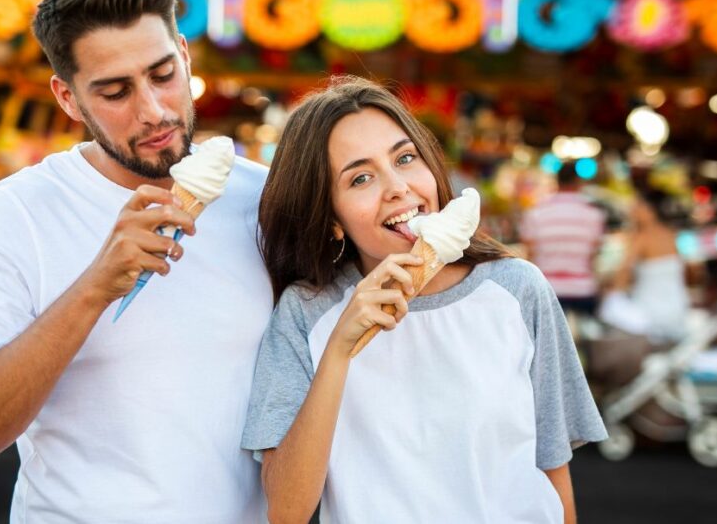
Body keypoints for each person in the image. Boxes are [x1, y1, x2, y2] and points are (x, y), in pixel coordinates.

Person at [0, 0, 272, 521]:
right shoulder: (20, 212)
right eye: (115, 92)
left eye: (163, 75)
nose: (154, 111)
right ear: (69, 98)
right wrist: (95, 285)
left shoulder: (267, 200)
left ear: (184, 53)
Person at [242, 77, 606, 524]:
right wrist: (339, 348)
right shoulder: (307, 312)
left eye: (405, 158)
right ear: (332, 219)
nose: (398, 187)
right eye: (360, 177)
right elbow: (286, 511)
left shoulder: (516, 290)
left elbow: (551, 472)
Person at [598, 187, 690, 344]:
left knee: (609, 306)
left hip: (651, 317)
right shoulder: (671, 235)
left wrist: (610, 293)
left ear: (649, 210)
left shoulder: (641, 237)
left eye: (638, 205)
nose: (633, 209)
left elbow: (623, 272)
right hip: (679, 313)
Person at [520, 161, 606, 317]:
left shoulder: (536, 213)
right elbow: (594, 256)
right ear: (578, 182)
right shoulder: (593, 214)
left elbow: (530, 256)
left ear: (557, 181)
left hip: (547, 290)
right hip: (583, 290)